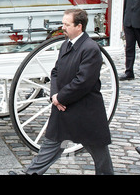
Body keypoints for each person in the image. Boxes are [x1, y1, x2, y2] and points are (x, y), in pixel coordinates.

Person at [10, 9, 114, 175]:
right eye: (63, 23)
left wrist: (61, 97)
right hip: (64, 108)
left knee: (99, 153)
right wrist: (54, 96)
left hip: (85, 112)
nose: (62, 27)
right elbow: (55, 72)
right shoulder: (66, 44)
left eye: (67, 24)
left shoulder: (91, 49)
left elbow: (83, 82)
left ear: (79, 26)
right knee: (50, 145)